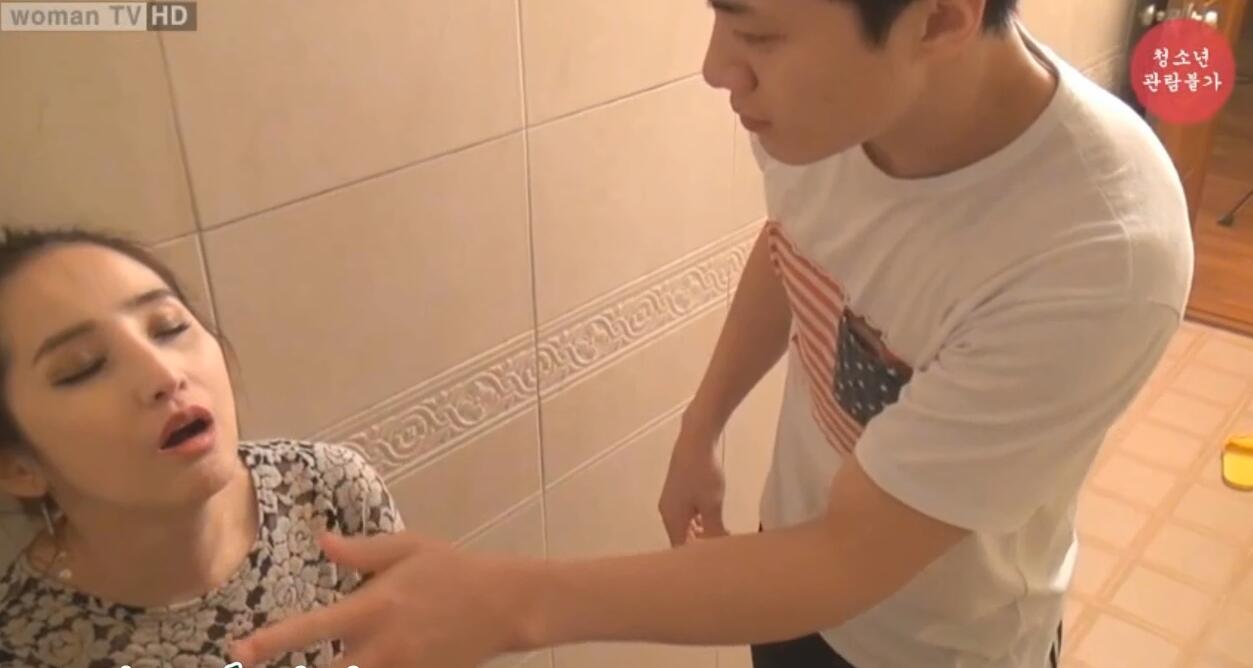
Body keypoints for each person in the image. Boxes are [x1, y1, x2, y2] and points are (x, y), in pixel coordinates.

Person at [232, 0, 1195, 666]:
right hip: (783, 568)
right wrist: (703, 422)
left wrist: (511, 603)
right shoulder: (832, 114)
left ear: (939, 18)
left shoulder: (1097, 253)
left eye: (758, 33)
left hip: (935, 641)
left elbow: (849, 560)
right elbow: (795, 249)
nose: (714, 69)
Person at [0, 228, 404, 668]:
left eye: (168, 327)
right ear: (16, 466)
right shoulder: (21, 647)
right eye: (83, 368)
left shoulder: (329, 489)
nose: (164, 374)